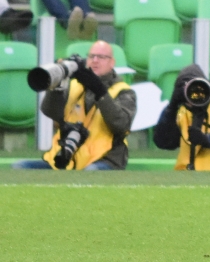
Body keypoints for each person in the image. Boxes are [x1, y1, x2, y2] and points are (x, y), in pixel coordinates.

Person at [13, 41, 137, 170]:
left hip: (104, 158)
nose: (95, 61)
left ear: (112, 63)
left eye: (101, 57)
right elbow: (51, 112)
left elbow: (121, 124)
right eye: (91, 56)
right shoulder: (74, 86)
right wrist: (57, 87)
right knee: (20, 166)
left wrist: (100, 92)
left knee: (90, 171)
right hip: (66, 157)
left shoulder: (124, 91)